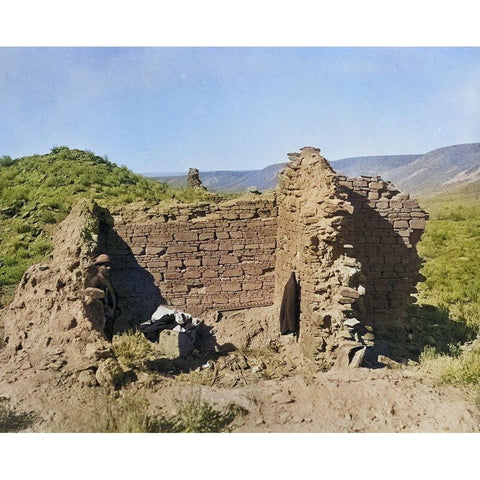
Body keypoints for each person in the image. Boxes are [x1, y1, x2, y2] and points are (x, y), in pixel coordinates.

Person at [87, 254, 120, 341]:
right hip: (103, 317)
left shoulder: (107, 281)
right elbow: (96, 301)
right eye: (106, 266)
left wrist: (116, 309)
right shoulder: (95, 282)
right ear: (98, 267)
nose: (109, 268)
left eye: (109, 265)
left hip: (111, 316)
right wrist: (106, 311)